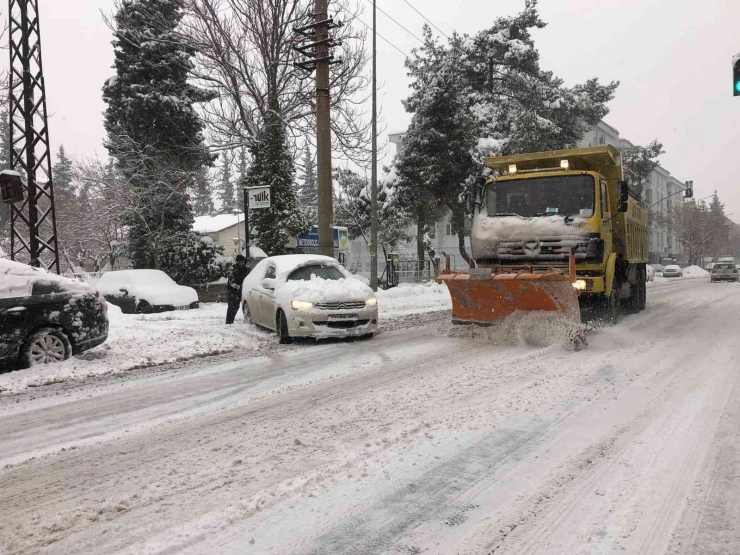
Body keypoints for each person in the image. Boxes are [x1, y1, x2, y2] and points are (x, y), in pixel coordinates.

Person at [225, 254, 249, 325]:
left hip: (239, 292)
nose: (243, 263)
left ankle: (231, 321)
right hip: (232, 291)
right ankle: (229, 321)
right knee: (231, 306)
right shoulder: (232, 269)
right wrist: (238, 287)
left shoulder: (244, 269)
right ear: (238, 262)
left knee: (236, 306)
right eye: (241, 261)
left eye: (243, 261)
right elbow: (231, 281)